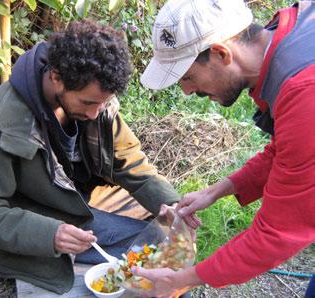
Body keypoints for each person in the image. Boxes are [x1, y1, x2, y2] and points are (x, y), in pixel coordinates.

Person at [0, 20, 182, 294]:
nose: (95, 113)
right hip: (35, 223)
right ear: (56, 77)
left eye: (102, 103)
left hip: (79, 207)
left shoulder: (96, 101)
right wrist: (50, 235)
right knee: (148, 260)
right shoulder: (3, 117)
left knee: (159, 240)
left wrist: (169, 204)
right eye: (87, 103)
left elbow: (128, 160)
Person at [133, 0, 315, 296]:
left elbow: (277, 234)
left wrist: (182, 278)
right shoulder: (292, 34)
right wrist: (216, 190)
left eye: (188, 77)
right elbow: (288, 150)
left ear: (221, 53)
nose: (188, 91)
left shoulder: (305, 90)